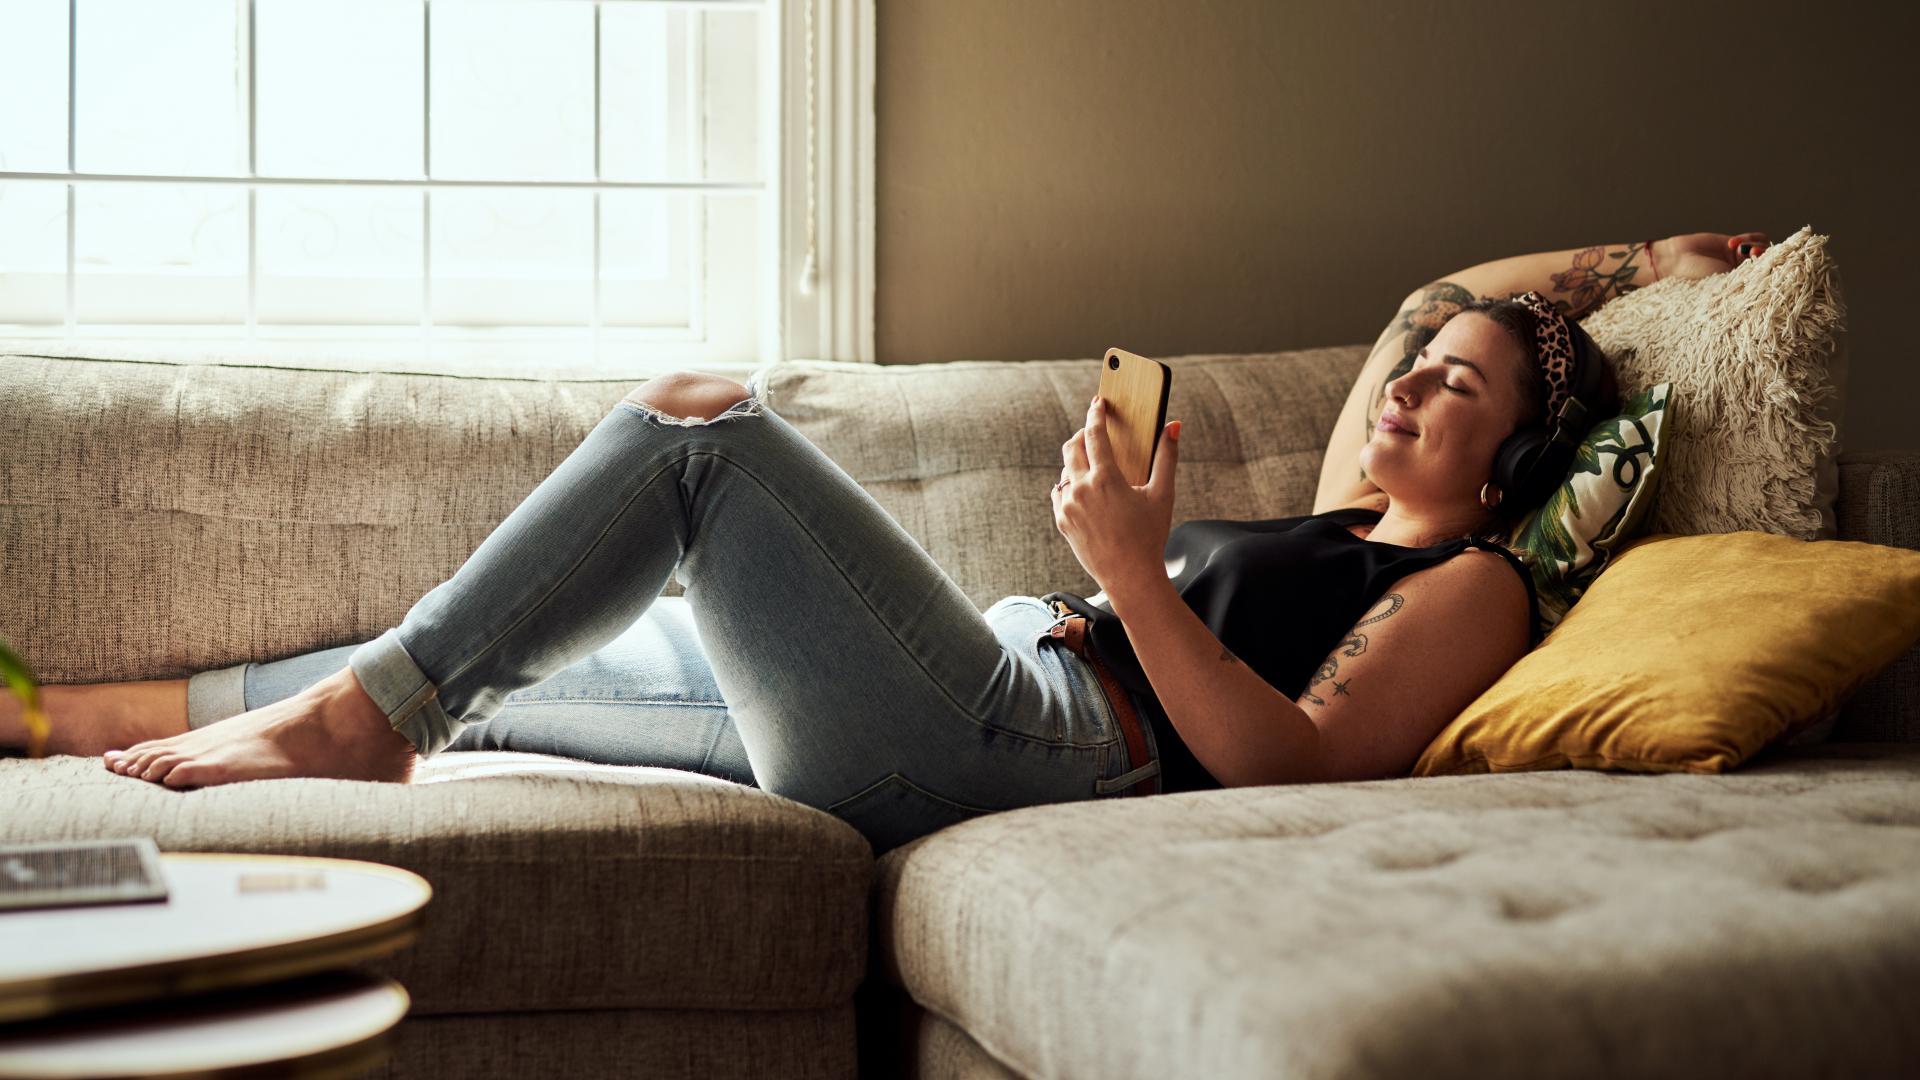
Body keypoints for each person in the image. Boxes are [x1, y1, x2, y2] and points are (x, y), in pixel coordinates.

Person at [0, 231, 1767, 854]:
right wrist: (1637, 260)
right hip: (1002, 673)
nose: (1403, 388)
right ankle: (54, 716)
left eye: (1449, 390)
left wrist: (1136, 576)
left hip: (1042, 739)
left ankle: (356, 724)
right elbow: (1443, 299)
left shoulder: (1472, 586)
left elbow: (1295, 765)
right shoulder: (1352, 503)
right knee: (518, 672)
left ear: (1521, 446)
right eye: (1410, 375)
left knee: (704, 428)